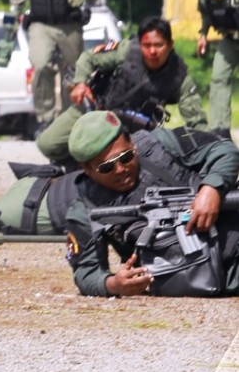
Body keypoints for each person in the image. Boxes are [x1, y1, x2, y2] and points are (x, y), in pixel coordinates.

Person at [61, 110, 239, 297]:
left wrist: (211, 189)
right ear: (87, 169)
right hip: (196, 277)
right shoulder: (85, 207)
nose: (120, 169)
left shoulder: (160, 143)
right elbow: (86, 272)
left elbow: (224, 149)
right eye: (107, 167)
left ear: (132, 144)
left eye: (126, 157)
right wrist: (113, 284)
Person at [36, 16, 207, 164]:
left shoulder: (178, 76)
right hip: (95, 109)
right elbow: (88, 58)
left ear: (170, 45)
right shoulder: (126, 50)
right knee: (48, 144)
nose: (152, 51)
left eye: (159, 45)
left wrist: (207, 150)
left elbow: (198, 122)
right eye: (146, 45)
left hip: (135, 135)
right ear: (140, 44)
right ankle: (78, 167)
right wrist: (80, 83)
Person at [9, 0, 100, 134]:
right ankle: (46, 118)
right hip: (41, 25)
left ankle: (71, 119)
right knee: (40, 65)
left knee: (73, 72)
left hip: (69, 26)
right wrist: (13, 14)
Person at [195, 0, 239, 138]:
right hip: (229, 40)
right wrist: (203, 35)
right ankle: (220, 130)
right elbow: (206, 16)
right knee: (218, 78)